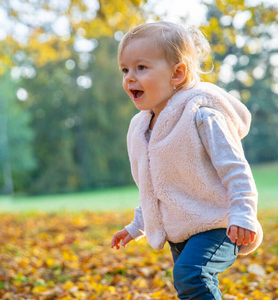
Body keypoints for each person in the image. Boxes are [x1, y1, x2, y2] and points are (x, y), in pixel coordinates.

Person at [110, 21, 263, 299]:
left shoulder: (202, 115)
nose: (129, 77)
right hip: (180, 231)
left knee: (192, 276)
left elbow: (236, 170)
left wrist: (243, 213)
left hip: (220, 224)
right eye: (125, 69)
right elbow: (155, 187)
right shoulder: (144, 129)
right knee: (189, 287)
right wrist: (136, 227)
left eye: (141, 67)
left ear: (177, 73)